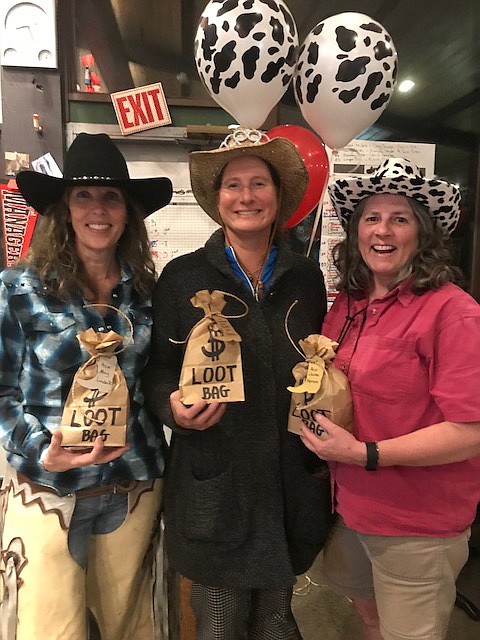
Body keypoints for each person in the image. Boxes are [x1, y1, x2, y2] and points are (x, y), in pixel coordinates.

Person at [142, 127, 330, 640]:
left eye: (259, 183)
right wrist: (172, 405)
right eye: (233, 185)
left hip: (288, 480)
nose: (246, 197)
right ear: (217, 198)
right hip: (216, 479)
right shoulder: (181, 278)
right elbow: (157, 367)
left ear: (279, 196)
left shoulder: (305, 278)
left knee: (275, 620)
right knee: (219, 624)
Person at [0, 133, 173, 640]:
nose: (98, 209)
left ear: (127, 213)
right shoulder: (18, 290)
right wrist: (39, 450)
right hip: (48, 491)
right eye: (83, 195)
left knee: (131, 625)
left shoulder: (149, 294)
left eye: (111, 196)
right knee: (50, 628)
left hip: (133, 485)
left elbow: (157, 377)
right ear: (64, 210)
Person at [299, 158, 480, 640]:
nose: (383, 230)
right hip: (350, 506)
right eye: (372, 218)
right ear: (356, 231)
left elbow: (471, 432)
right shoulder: (349, 303)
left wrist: (365, 453)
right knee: (369, 618)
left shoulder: (453, 313)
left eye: (400, 219)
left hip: (416, 521)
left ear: (422, 234)